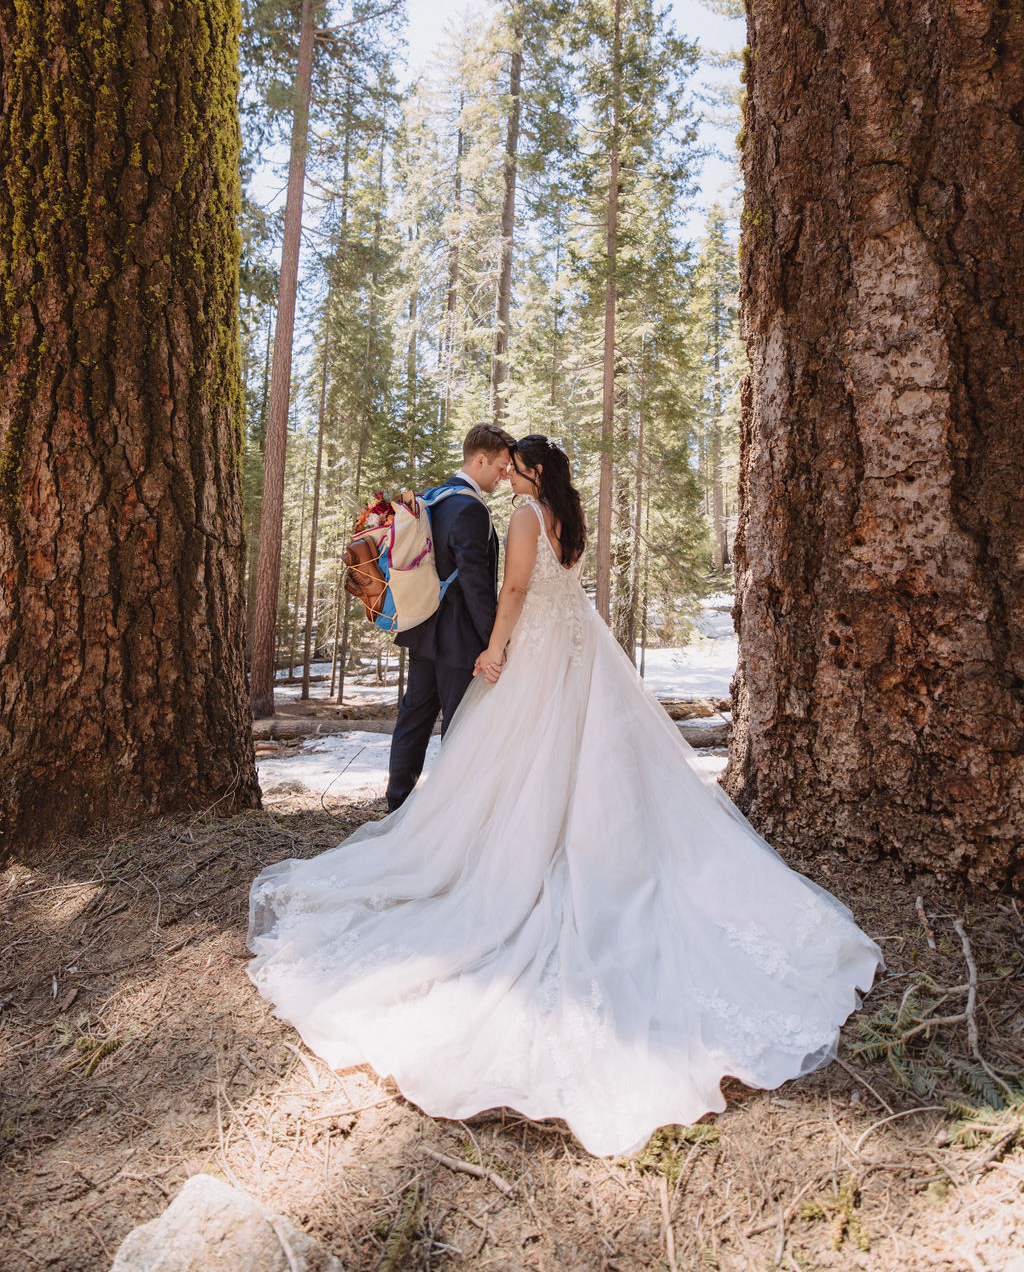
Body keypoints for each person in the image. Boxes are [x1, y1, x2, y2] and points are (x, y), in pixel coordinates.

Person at [248, 435, 881, 1158]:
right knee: (579, 765)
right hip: (579, 654)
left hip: (539, 654)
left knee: (518, 762)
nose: (509, 476)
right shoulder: (566, 519)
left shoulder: (524, 515)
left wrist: (493, 648)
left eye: (516, 466)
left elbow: (515, 592)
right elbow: (561, 584)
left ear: (535, 470)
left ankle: (532, 852)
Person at [386, 421, 515, 813]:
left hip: (423, 628)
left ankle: (398, 806)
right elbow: (477, 586)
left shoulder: (434, 497)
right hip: (459, 639)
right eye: (501, 466)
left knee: (415, 716)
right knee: (462, 727)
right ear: (480, 459)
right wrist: (494, 643)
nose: (505, 475)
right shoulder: (471, 510)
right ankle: (452, 815)